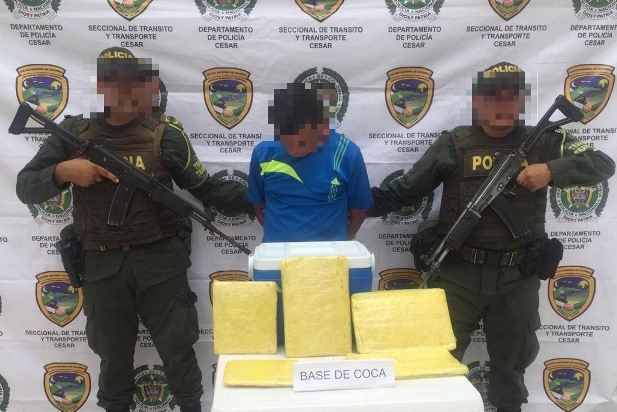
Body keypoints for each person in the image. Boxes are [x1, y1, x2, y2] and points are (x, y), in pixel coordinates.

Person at [16, 46, 252, 412]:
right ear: (102, 88)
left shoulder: (164, 134)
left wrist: (261, 198)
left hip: (161, 262)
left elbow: (205, 189)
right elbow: (25, 186)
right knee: (112, 359)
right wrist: (64, 171)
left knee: (178, 352)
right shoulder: (73, 132)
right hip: (101, 266)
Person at [369, 62, 615, 412]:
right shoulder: (455, 143)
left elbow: (603, 163)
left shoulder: (546, 141)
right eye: (493, 97)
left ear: (521, 102)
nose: (502, 105)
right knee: (438, 364)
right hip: (457, 275)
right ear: (477, 101)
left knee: (511, 372)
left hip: (517, 279)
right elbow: (404, 191)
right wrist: (351, 204)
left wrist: (551, 170)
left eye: (511, 98)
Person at [247, 82, 373, 242]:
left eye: (300, 142)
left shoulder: (347, 154)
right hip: (276, 252)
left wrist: (337, 245)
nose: (290, 147)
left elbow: (358, 213)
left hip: (331, 253)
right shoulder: (263, 153)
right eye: (285, 137)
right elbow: (259, 207)